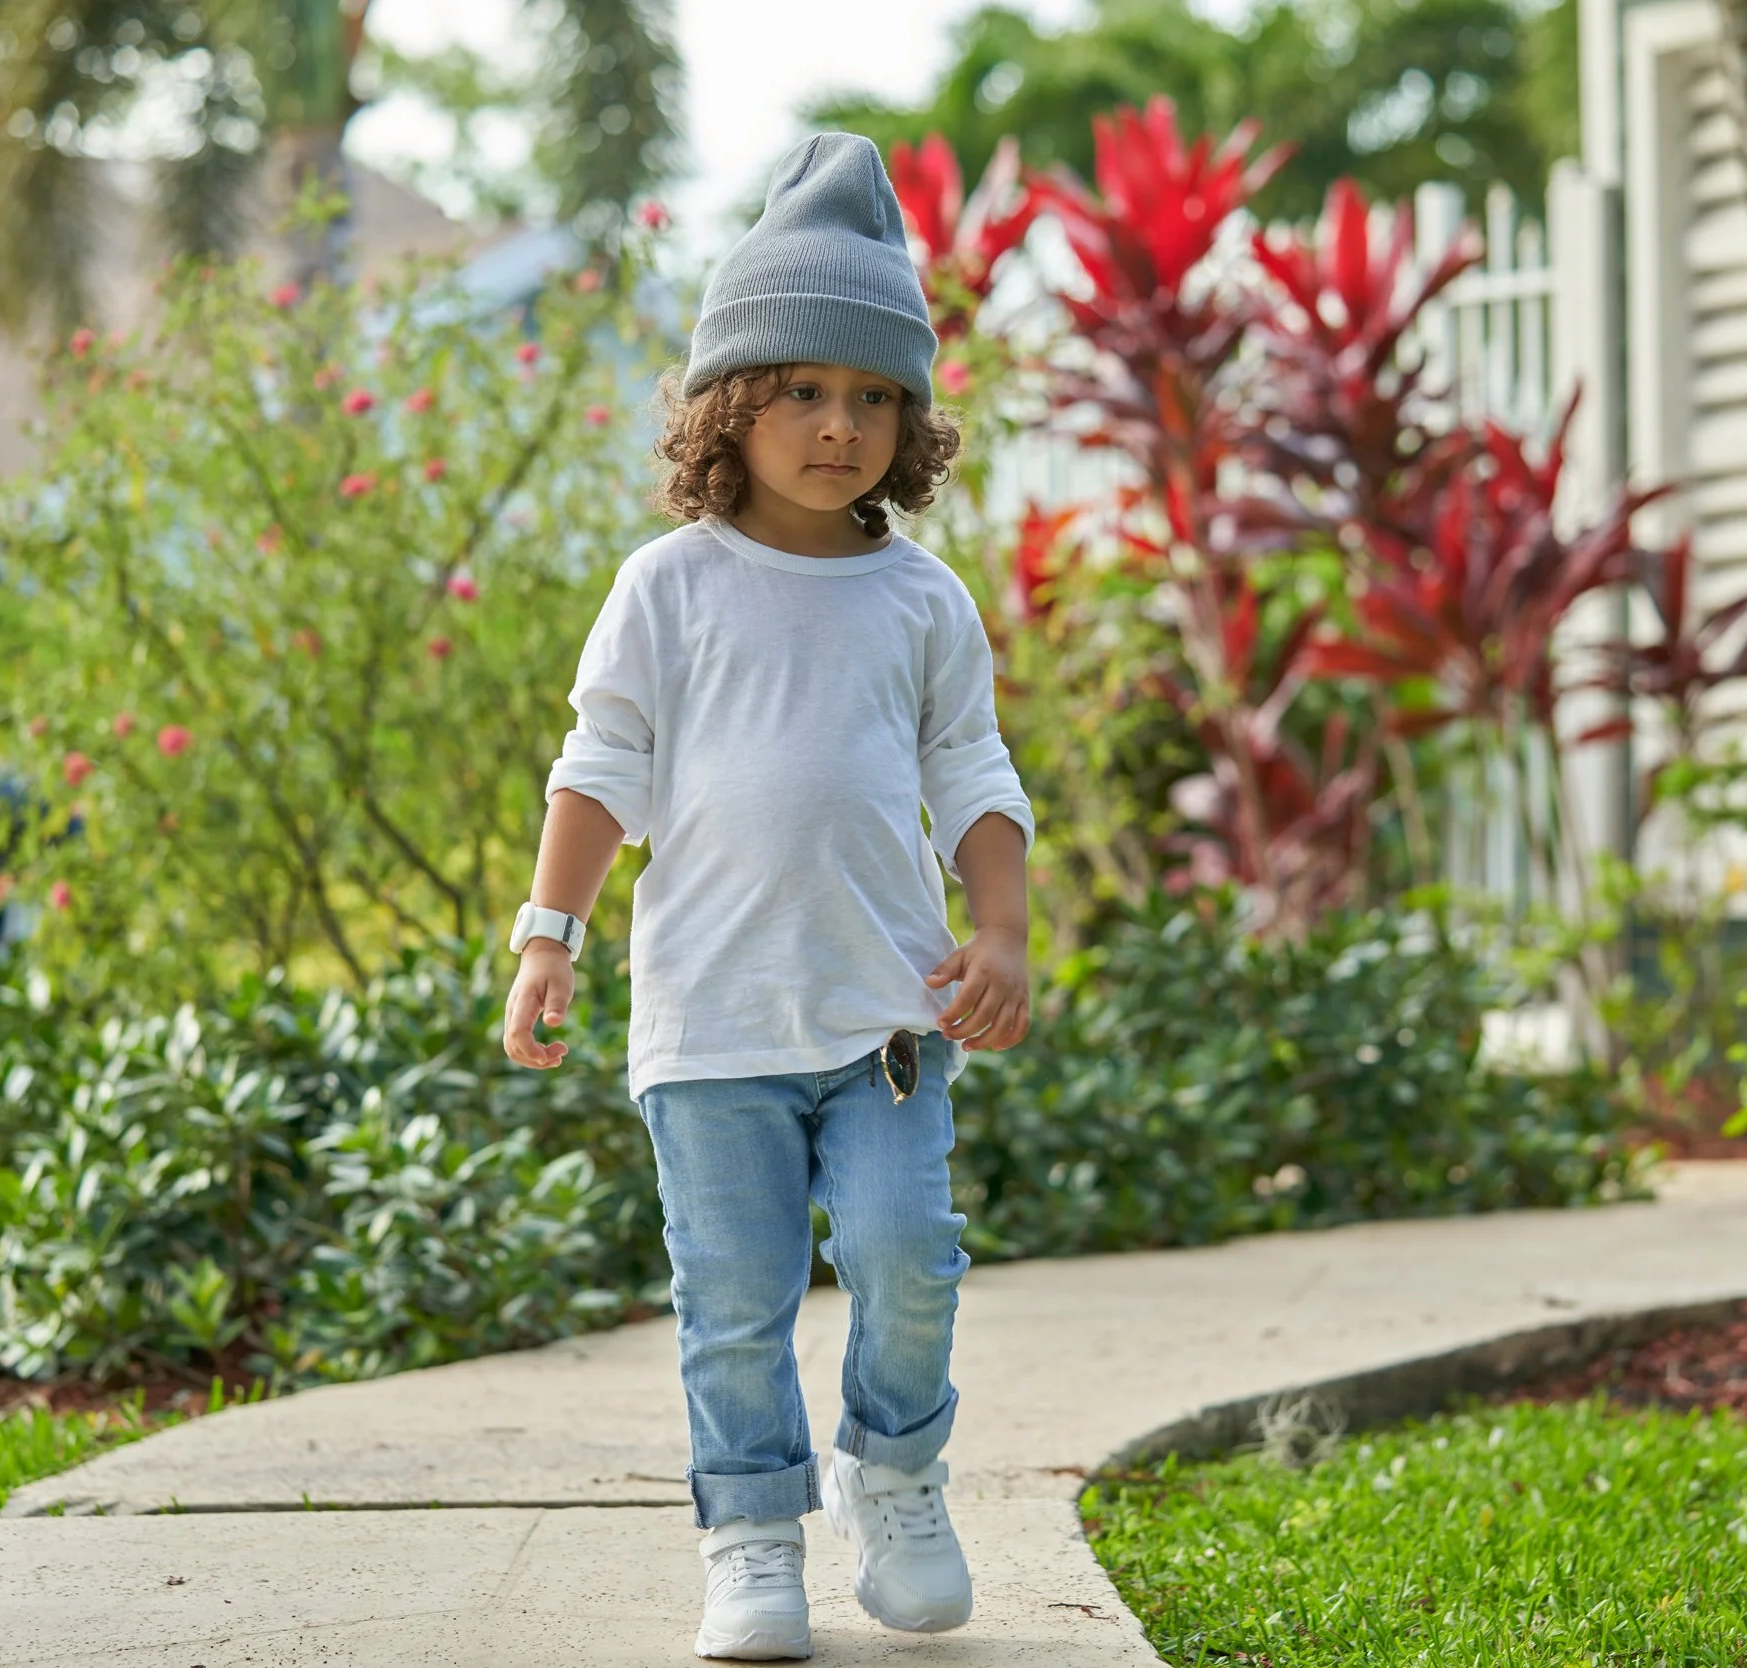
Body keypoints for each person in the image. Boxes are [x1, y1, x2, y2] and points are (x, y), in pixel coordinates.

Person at [499, 132, 1036, 1662]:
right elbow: (602, 765)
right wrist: (552, 936)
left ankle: (898, 1473)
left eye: (874, 398)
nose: (839, 426)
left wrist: (998, 933)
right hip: (712, 1022)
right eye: (803, 389)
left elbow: (977, 780)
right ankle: (750, 1541)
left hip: (885, 1019)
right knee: (732, 1304)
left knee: (906, 1256)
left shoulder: (923, 600)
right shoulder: (667, 585)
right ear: (730, 404)